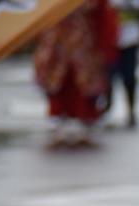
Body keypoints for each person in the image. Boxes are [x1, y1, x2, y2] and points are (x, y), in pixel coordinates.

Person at [32, 0, 118, 146]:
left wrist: (105, 47)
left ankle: (83, 120)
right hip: (57, 42)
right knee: (57, 81)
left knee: (83, 83)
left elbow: (102, 14)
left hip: (83, 43)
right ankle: (60, 119)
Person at [105, 0, 139, 129]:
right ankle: (107, 110)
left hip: (130, 38)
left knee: (129, 76)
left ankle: (131, 112)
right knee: (108, 76)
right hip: (109, 37)